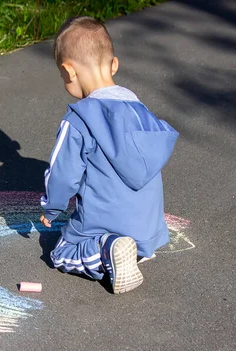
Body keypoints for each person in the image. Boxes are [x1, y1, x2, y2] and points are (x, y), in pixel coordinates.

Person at [39, 16, 179, 294]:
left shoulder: (78, 120)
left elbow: (63, 175)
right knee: (126, 233)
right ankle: (134, 250)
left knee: (61, 253)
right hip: (148, 233)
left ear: (69, 72)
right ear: (114, 64)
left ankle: (107, 249)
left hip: (106, 227)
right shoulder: (142, 112)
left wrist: (51, 208)